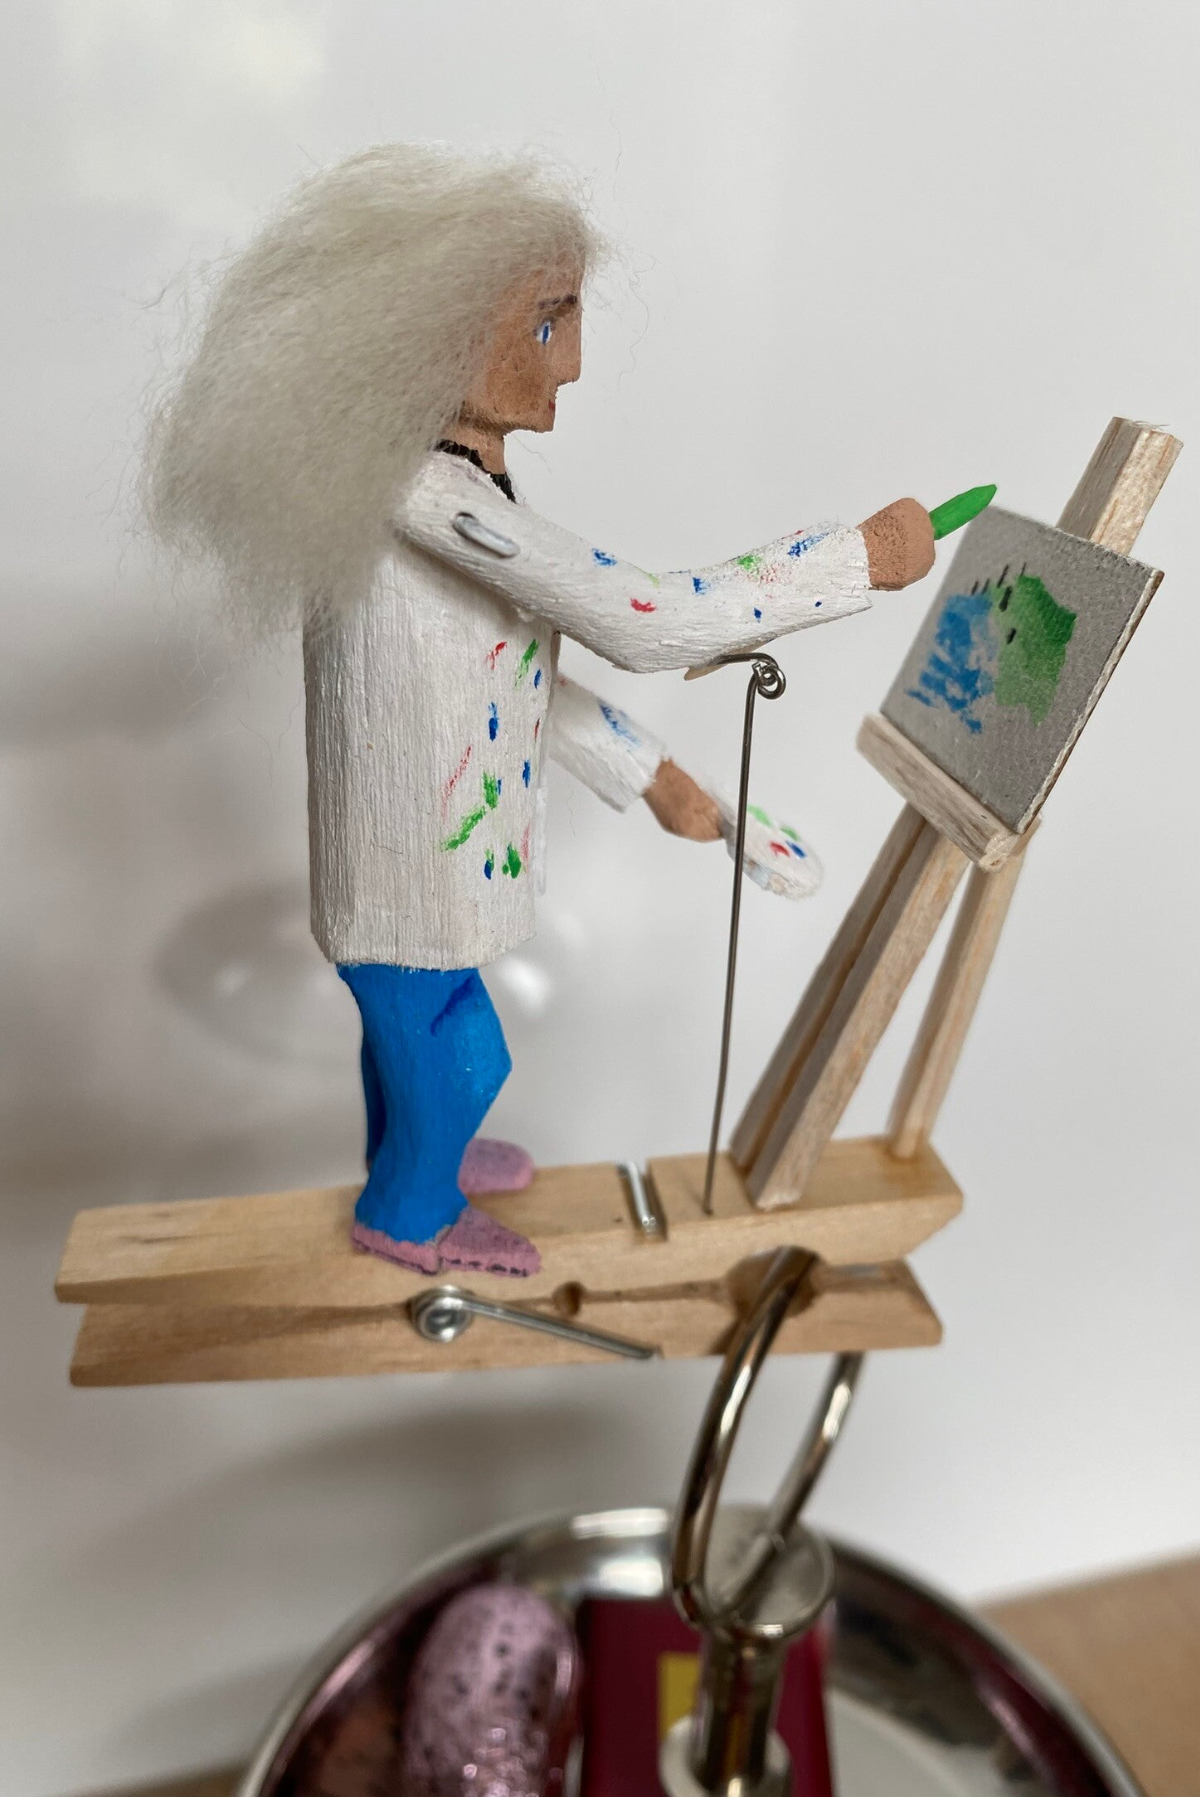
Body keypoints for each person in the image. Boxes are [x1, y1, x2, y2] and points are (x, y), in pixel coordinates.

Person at [146, 143, 934, 1278]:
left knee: (412, 1043)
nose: (570, 363)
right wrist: (845, 563)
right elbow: (642, 616)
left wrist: (652, 776)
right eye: (548, 322)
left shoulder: (445, 486)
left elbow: (502, 676)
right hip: (406, 880)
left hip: (419, 875)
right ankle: (408, 1212)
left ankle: (417, 1158)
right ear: (438, 338)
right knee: (461, 1057)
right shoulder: (433, 499)